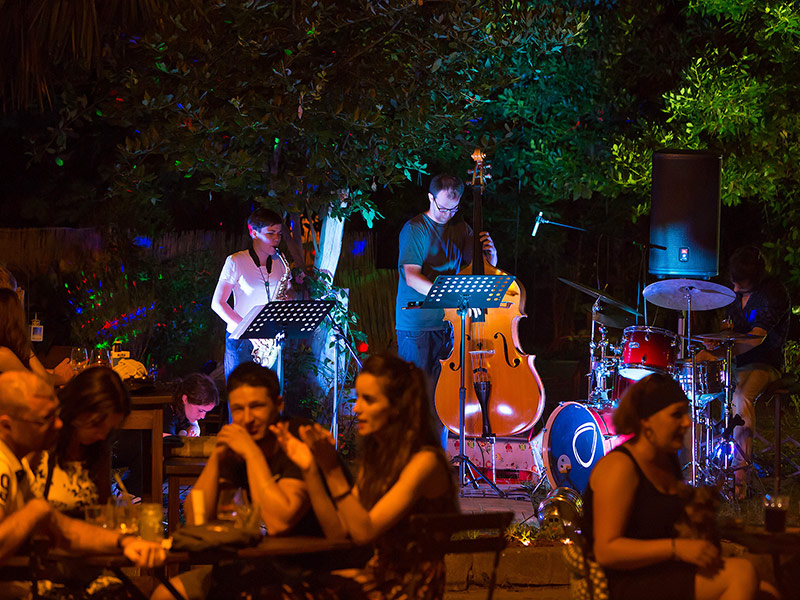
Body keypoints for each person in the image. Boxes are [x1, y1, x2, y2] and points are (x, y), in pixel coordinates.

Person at [253, 353, 459, 600]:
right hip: (376, 578)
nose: (356, 407)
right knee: (263, 583)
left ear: (397, 407)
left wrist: (332, 469)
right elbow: (338, 531)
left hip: (407, 588)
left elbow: (364, 532)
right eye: (358, 397)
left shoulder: (425, 462)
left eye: (369, 400)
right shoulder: (379, 460)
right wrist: (310, 468)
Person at [584, 373, 773, 600]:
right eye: (676, 415)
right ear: (646, 421)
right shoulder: (619, 468)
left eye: (685, 413)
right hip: (627, 582)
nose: (686, 422)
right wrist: (676, 548)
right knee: (741, 575)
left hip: (662, 571)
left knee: (766, 592)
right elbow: (606, 551)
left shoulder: (666, 460)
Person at [150, 362, 325, 600]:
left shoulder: (296, 438)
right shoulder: (239, 444)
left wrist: (251, 454)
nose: (247, 418)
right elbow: (195, 517)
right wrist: (218, 455)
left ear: (278, 405)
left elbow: (280, 521)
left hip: (303, 569)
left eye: (257, 406)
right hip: (252, 564)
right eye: (238, 409)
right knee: (165, 594)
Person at [0, 370, 165, 595]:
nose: (57, 424)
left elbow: (66, 530)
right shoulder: (11, 462)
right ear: (7, 425)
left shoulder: (16, 466)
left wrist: (123, 542)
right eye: (45, 418)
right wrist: (36, 511)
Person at [395, 174, 497, 447]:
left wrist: (491, 257)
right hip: (417, 326)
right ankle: (410, 461)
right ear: (431, 198)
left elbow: (479, 271)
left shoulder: (461, 228)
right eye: (442, 208)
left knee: (444, 400)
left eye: (454, 209)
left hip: (449, 326)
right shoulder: (415, 229)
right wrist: (448, 296)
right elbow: (412, 276)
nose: (447, 214)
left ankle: (435, 461)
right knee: (417, 400)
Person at [696, 246, 790, 498]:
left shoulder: (774, 293)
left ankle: (739, 481)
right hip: (735, 361)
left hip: (764, 363)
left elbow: (757, 339)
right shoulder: (735, 296)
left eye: (741, 283)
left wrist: (724, 351)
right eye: (733, 281)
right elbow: (730, 333)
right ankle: (692, 469)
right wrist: (714, 345)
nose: (734, 288)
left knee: (740, 397)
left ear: (757, 278)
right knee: (691, 374)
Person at [28, 366, 131, 515]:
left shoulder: (98, 448)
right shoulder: (41, 441)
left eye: (109, 430)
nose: (102, 435)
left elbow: (103, 509)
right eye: (96, 425)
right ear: (78, 408)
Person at [211, 207, 293, 384]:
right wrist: (249, 330)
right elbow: (218, 303)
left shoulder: (280, 262)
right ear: (253, 232)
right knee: (239, 400)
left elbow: (289, 291)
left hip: (270, 342)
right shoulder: (236, 261)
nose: (277, 239)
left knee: (270, 401)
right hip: (242, 341)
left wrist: (289, 298)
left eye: (279, 233)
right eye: (271, 233)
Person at [0, 288, 72, 386]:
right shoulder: (3, 354)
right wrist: (64, 378)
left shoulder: (8, 350)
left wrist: (53, 373)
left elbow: (41, 375)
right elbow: (38, 382)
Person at [164, 373, 219, 437]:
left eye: (205, 412)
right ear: (185, 399)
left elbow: (195, 426)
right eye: (200, 411)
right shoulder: (166, 410)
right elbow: (166, 443)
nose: (203, 416)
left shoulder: (184, 408)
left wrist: (194, 428)